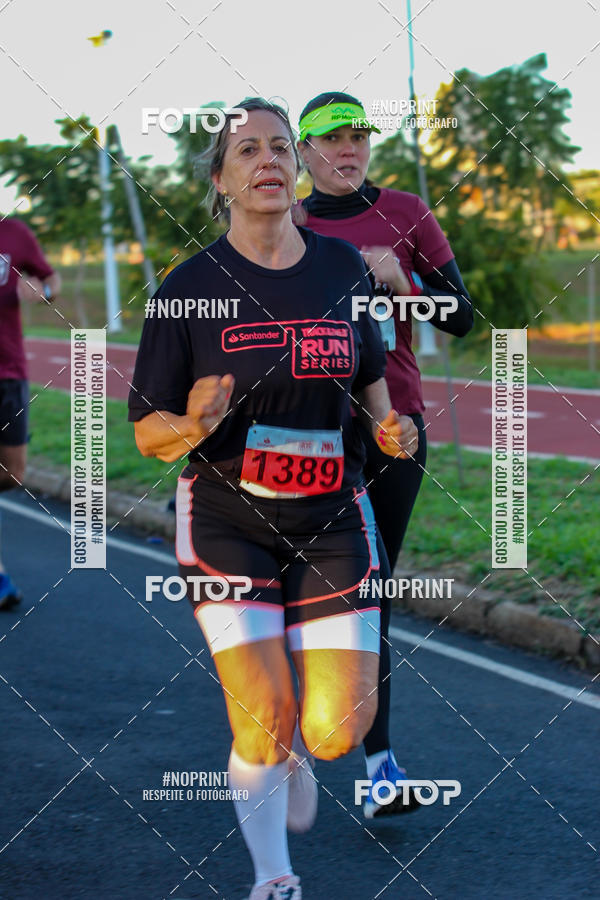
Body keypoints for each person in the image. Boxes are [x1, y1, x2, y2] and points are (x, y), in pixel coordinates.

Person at [128, 97, 419, 900]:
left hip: (332, 516)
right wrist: (192, 421)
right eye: (247, 150)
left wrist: (392, 432)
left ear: (297, 169)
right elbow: (149, 435)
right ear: (220, 179)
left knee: (331, 733)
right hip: (227, 517)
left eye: (281, 148)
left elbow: (372, 390)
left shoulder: (342, 269)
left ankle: (300, 748)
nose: (268, 161)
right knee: (261, 711)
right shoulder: (187, 288)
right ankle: (274, 879)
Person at [295, 92, 473, 818]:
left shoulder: (405, 212)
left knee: (371, 598)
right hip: (305, 433)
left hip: (393, 424)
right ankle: (293, 729)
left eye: (359, 138)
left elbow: (460, 315)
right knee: (317, 593)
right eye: (333, 140)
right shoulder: (287, 219)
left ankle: (379, 768)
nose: (349, 150)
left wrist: (406, 286)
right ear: (305, 151)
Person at [0, 217, 60, 610]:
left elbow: (50, 281)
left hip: (8, 370)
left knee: (11, 473)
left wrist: (43, 290)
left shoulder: (14, 233)